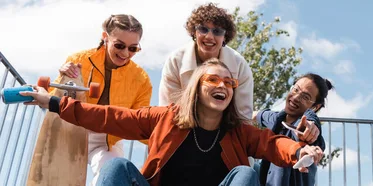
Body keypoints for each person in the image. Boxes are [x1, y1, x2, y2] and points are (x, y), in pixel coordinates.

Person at [22, 58, 323, 186]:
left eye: (229, 82)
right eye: (213, 79)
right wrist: (53, 101)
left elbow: (273, 144)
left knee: (245, 174)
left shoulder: (239, 131)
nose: (222, 86)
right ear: (197, 87)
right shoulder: (165, 118)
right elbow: (110, 117)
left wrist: (300, 152)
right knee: (116, 166)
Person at [54, 14, 152, 185]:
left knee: (111, 172)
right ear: (105, 37)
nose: (125, 53)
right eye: (119, 45)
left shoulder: (141, 79)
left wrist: (165, 137)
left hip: (107, 140)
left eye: (133, 48)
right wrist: (62, 78)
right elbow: (52, 95)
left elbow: (140, 122)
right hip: (71, 130)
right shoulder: (79, 60)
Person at [159, 2, 253, 121]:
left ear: (225, 37)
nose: (209, 36)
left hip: (225, 132)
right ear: (194, 32)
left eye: (217, 31)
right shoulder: (176, 61)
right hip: (182, 127)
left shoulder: (240, 65)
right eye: (203, 29)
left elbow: (243, 116)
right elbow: (168, 111)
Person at [254, 73, 332, 186]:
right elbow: (256, 115)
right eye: (295, 90)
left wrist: (310, 128)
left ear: (315, 107)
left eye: (305, 97)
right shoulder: (278, 118)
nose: (295, 98)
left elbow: (310, 123)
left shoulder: (305, 124)